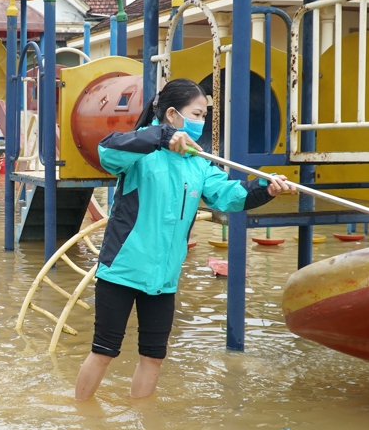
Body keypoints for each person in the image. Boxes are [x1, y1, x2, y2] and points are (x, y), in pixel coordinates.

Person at [74, 78, 294, 401]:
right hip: (122, 269)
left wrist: (266, 190)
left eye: (205, 115)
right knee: (104, 351)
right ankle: (81, 413)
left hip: (163, 279)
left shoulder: (198, 163)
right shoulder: (141, 148)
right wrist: (160, 137)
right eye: (197, 114)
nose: (201, 122)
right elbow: (108, 151)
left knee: (153, 358)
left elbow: (228, 196)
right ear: (173, 115)